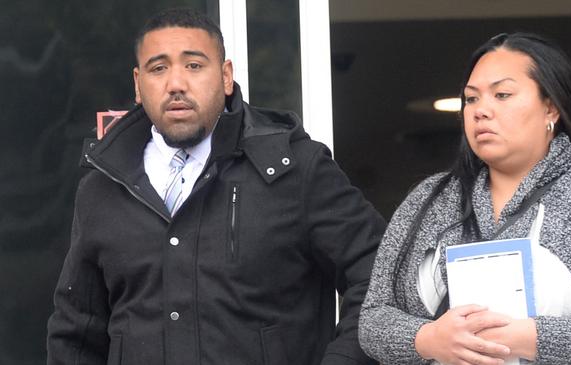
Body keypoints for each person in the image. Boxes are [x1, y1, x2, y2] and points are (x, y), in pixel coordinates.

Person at [47, 7, 385, 365]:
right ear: (138, 84)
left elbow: (380, 279)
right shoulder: (103, 185)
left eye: (193, 65)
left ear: (226, 77)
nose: (175, 83)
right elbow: (76, 331)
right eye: (158, 68)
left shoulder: (296, 168)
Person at [358, 32, 571, 364]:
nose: (481, 111)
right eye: (471, 99)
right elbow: (373, 317)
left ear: (550, 108)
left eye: (503, 94)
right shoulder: (429, 198)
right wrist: (428, 339)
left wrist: (532, 338)